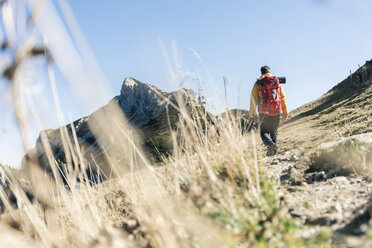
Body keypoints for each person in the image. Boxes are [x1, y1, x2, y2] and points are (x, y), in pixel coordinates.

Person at [249, 65, 288, 156]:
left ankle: (271, 146)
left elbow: (253, 99)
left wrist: (251, 113)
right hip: (276, 110)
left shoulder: (258, 83)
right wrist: (285, 112)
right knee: (274, 132)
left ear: (261, 72)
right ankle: (274, 154)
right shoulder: (276, 82)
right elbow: (282, 97)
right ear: (269, 72)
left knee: (263, 132)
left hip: (264, 111)